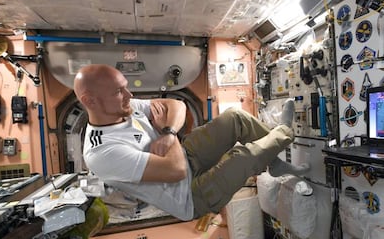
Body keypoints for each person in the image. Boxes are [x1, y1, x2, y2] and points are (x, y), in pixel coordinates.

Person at [73, 64, 310, 221]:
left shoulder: (125, 106)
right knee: (243, 156)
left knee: (235, 119)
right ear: (89, 101)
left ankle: (275, 162)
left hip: (184, 157)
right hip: (188, 195)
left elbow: (178, 105)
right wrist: (170, 135)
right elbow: (175, 171)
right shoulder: (101, 151)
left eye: (126, 88)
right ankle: (285, 131)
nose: (130, 96)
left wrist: (167, 132)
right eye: (118, 92)